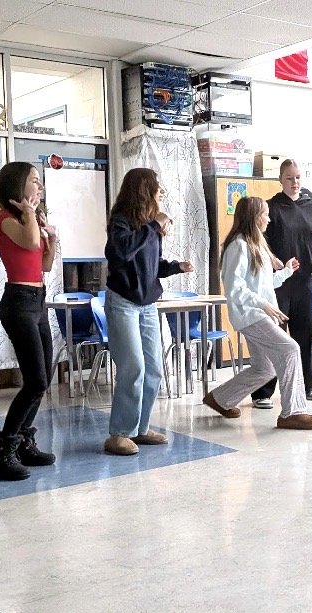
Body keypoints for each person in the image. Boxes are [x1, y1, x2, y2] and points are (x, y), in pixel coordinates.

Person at [202, 196, 312, 430]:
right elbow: (235, 288)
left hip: (257, 313)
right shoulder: (238, 246)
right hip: (251, 315)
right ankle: (292, 412)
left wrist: (286, 272)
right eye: (265, 214)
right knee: (290, 349)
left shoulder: (255, 245)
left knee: (264, 368)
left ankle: (221, 399)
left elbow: (262, 285)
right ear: (255, 218)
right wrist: (263, 305)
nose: (269, 219)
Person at [103, 168, 194, 456]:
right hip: (123, 303)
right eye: (157, 186)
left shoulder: (150, 229)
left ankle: (139, 429)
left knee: (154, 368)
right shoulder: (121, 221)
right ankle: (119, 433)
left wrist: (175, 267)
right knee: (133, 367)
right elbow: (122, 252)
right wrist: (154, 226)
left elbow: (151, 266)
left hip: (147, 305)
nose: (161, 191)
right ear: (143, 190)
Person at [0, 162, 60, 480]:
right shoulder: (4, 218)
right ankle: (3, 452)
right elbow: (30, 243)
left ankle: (24, 443)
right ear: (17, 185)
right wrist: (31, 215)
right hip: (18, 302)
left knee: (44, 378)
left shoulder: (29, 220)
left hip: (38, 300)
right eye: (34, 181)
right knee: (35, 382)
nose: (40, 187)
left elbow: (44, 264)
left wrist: (51, 238)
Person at [250, 159, 312, 410]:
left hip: (303, 282)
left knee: (303, 336)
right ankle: (263, 392)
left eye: (297, 177)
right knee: (275, 337)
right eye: (289, 178)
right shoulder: (272, 208)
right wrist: (272, 259)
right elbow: (259, 241)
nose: (294, 182)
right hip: (278, 284)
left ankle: (306, 385)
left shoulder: (311, 206)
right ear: (280, 180)